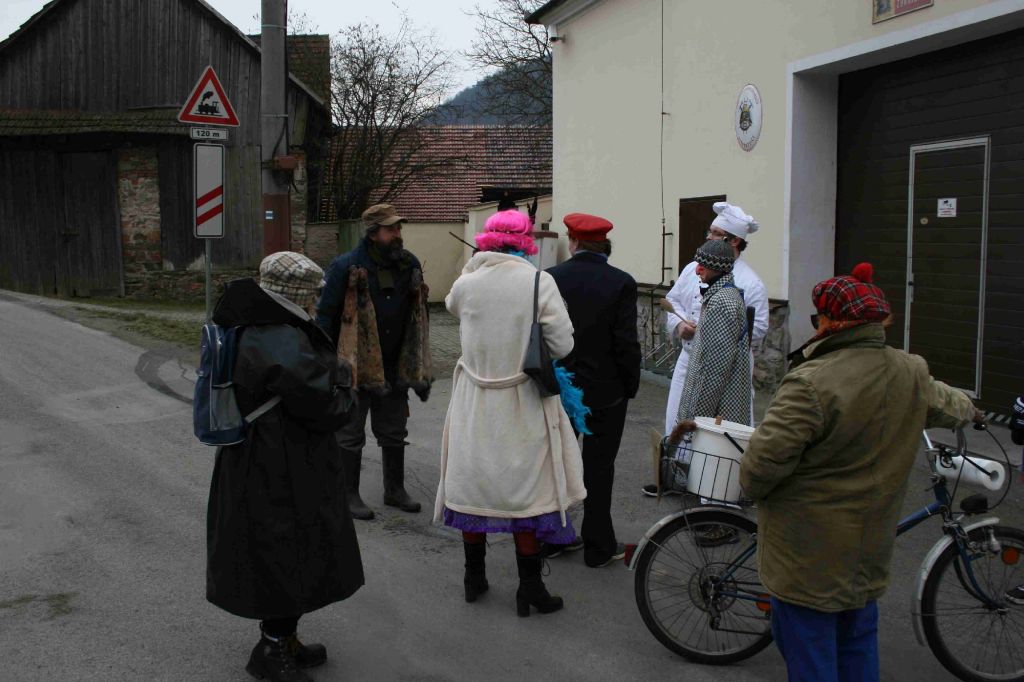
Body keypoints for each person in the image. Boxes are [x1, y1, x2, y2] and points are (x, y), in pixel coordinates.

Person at [738, 263, 981, 682]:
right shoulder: (910, 371)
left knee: (811, 656)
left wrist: (754, 490)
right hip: (868, 548)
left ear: (830, 322)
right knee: (857, 646)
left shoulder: (811, 382)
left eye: (817, 317)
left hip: (806, 556)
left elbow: (760, 467)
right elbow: (953, 404)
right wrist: (975, 413)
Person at [206, 252, 364, 682]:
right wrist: (346, 383)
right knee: (284, 549)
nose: (316, 300)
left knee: (284, 548)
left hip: (268, 455)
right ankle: (271, 650)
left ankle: (283, 637)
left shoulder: (256, 322)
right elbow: (326, 406)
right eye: (312, 293)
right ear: (297, 294)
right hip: (279, 462)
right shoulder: (278, 336)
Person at [433, 210, 587, 616]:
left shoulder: (467, 283)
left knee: (473, 489)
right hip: (523, 401)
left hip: (475, 402)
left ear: (484, 240)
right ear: (526, 241)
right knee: (527, 495)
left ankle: (474, 578)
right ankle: (530, 589)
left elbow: (450, 305)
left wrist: (472, 267)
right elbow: (564, 345)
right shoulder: (538, 281)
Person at [316, 204, 433, 520]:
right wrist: (327, 362)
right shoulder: (346, 266)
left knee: (394, 430)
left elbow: (419, 311)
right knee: (350, 432)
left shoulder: (408, 264)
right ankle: (348, 494)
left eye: (398, 228)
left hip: (394, 363)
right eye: (390, 229)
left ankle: (394, 490)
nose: (397, 234)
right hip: (354, 365)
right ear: (372, 233)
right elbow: (325, 316)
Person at [644, 201, 767, 496]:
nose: (708, 237)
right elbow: (674, 302)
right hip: (690, 356)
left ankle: (717, 485)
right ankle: (675, 476)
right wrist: (679, 325)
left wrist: (716, 334)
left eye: (714, 233)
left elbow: (759, 326)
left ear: (733, 241)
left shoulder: (750, 283)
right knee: (678, 414)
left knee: (721, 424)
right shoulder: (693, 268)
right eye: (709, 232)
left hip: (728, 366)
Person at [544, 213, 641, 567]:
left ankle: (552, 537)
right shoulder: (622, 282)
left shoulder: (551, 278)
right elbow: (626, 341)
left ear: (572, 242)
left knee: (556, 464)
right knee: (599, 468)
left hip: (561, 387)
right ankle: (599, 546)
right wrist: (630, 383)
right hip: (606, 390)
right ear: (604, 245)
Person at [671, 238, 752, 432]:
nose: (697, 270)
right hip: (713, 416)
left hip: (714, 419)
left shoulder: (720, 303)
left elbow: (714, 370)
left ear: (717, 268)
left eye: (703, 266)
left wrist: (694, 421)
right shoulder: (722, 296)